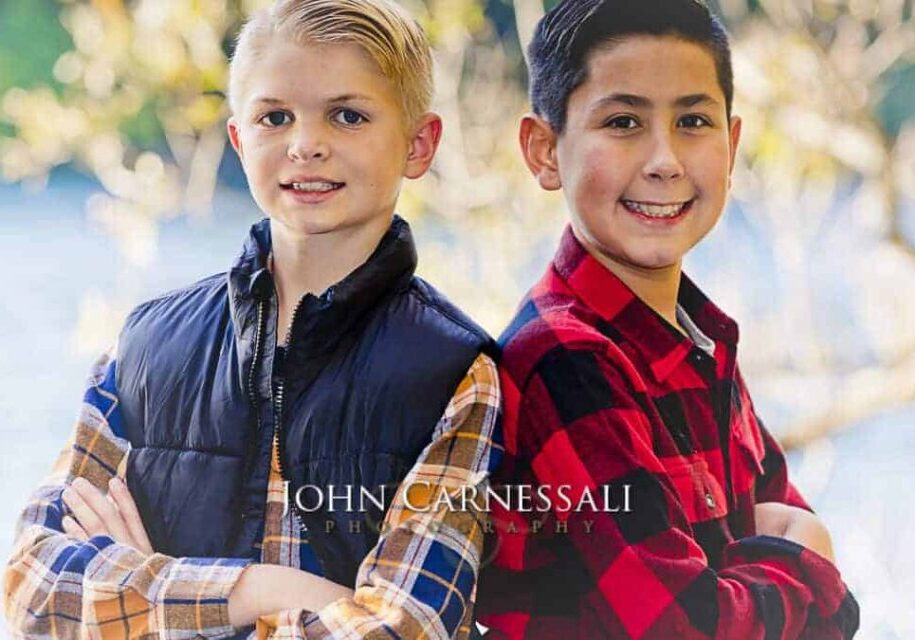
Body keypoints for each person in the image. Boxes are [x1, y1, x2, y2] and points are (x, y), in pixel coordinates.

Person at [3, 0, 501, 638]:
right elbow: (35, 591)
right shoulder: (149, 346)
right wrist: (263, 590)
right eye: (275, 117)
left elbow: (406, 628)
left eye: (348, 116)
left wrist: (145, 588)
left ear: (418, 143)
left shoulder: (452, 371)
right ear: (240, 138)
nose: (306, 144)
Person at [477, 0, 859, 637]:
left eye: (693, 120)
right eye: (624, 121)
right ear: (544, 150)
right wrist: (810, 558)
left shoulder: (700, 340)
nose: (666, 161)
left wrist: (794, 576)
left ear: (732, 146)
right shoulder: (565, 358)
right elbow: (685, 625)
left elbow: (825, 616)